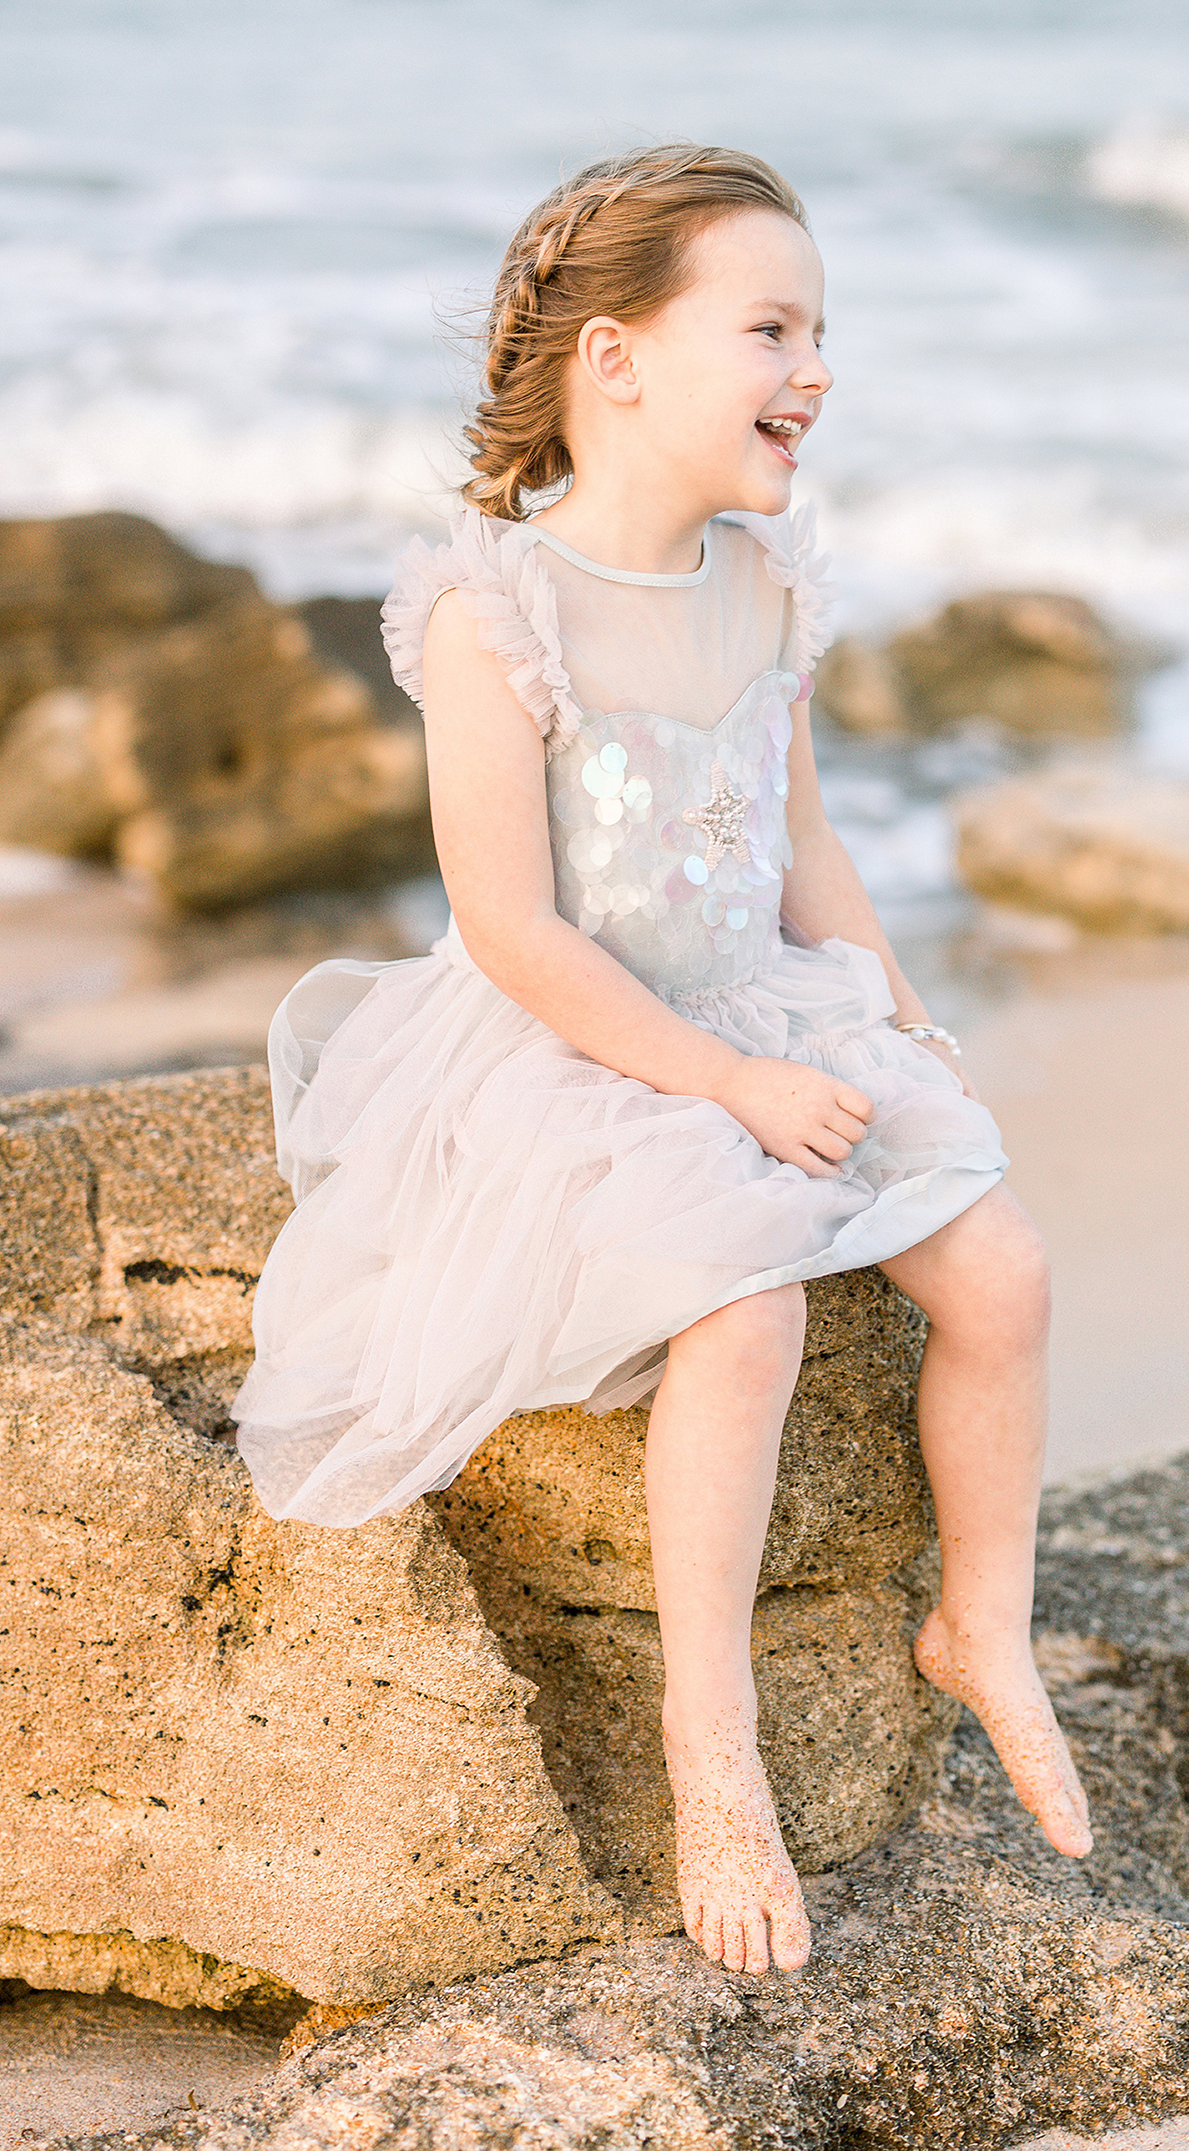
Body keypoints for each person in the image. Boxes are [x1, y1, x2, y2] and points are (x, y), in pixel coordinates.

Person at [233, 141, 1092, 1978]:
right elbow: (514, 934)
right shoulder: (494, 611)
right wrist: (729, 1091)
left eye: (823, 329)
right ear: (614, 359)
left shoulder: (769, 585)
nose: (819, 370)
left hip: (760, 1004)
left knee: (1002, 1264)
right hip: (583, 1048)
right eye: (773, 327)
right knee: (747, 1310)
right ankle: (720, 1764)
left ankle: (985, 1624)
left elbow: (803, 848)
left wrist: (892, 1017)